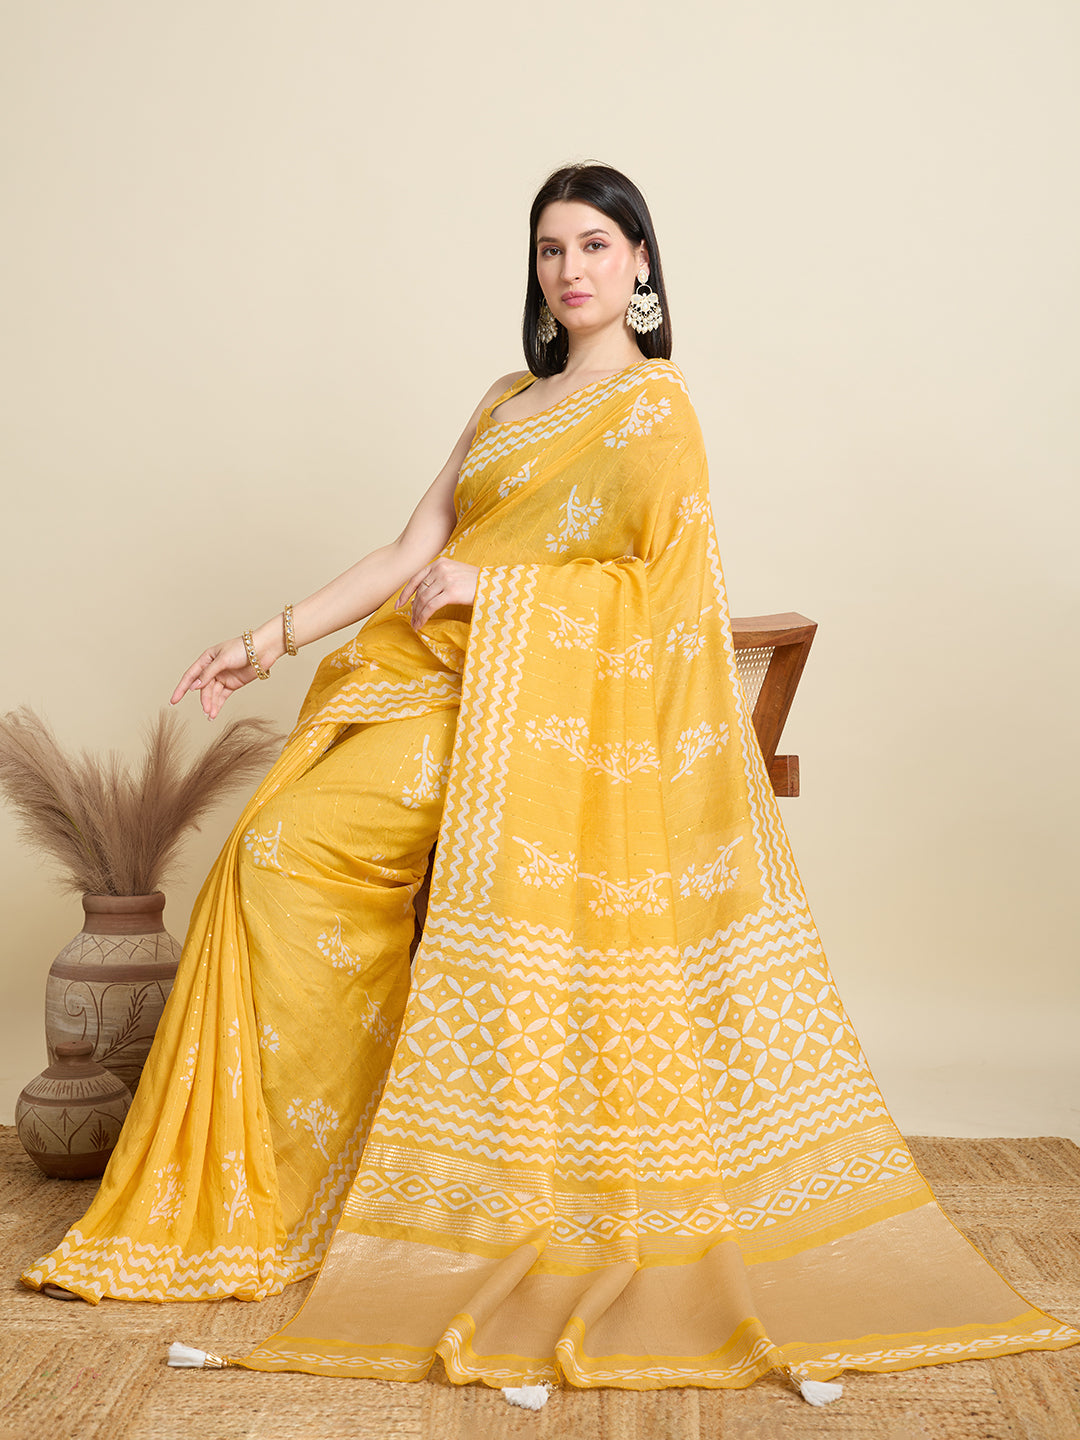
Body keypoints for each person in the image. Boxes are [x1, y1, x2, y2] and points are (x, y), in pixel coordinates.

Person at [23, 163, 1079, 1401]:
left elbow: (666, 595)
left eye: (593, 245)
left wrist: (499, 588)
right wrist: (266, 639)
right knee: (274, 848)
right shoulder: (506, 399)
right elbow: (412, 547)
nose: (570, 270)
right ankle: (298, 1178)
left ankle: (380, 1173)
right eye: (549, 249)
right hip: (427, 688)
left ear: (641, 262)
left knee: (280, 854)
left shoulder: (656, 409)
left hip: (527, 718)